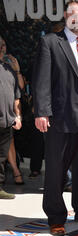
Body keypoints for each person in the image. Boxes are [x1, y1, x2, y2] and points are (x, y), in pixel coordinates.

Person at [32, 0, 78, 235]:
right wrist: (41, 111)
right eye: (74, 15)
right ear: (65, 16)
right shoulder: (51, 43)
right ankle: (55, 216)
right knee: (57, 169)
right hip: (61, 118)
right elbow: (41, 79)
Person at [0, 36, 25, 185]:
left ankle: (12, 173)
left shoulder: (9, 66)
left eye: (4, 45)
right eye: (1, 45)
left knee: (5, 149)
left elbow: (18, 91)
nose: (3, 48)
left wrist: (17, 70)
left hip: (7, 117)